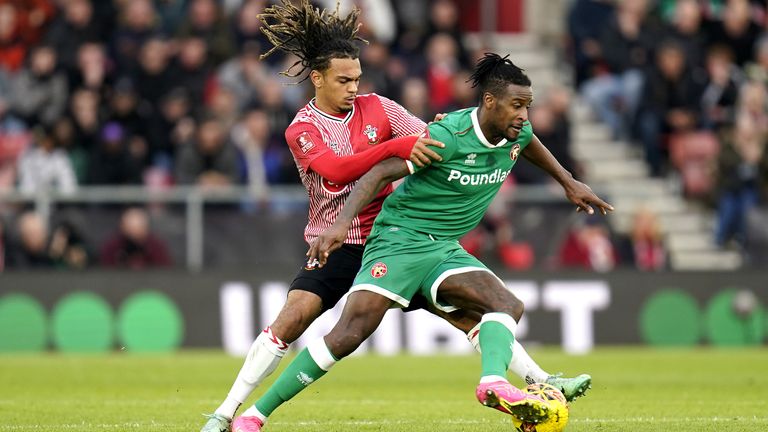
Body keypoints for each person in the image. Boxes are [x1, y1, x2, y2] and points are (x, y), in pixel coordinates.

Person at [201, 3, 591, 432]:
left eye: (357, 79)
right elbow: (336, 171)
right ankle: (226, 412)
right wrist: (393, 149)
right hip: (341, 242)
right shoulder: (302, 127)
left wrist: (444, 129)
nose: (354, 88)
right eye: (343, 80)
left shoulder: (379, 108)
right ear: (317, 79)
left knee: (473, 315)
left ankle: (540, 382)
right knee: (293, 321)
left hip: (400, 239)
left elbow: (426, 139)